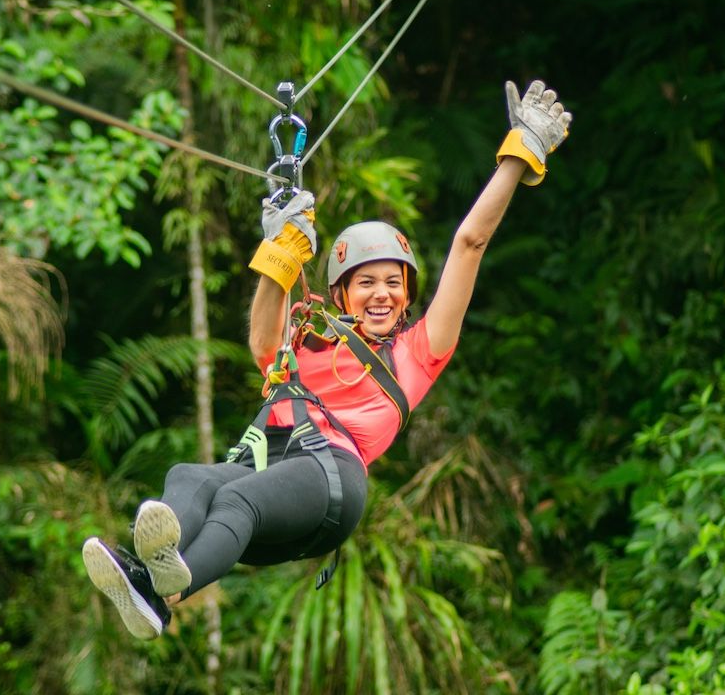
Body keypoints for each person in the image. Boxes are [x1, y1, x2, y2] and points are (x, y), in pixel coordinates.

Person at [81, 80, 572, 639]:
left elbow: (469, 242)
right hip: (269, 477)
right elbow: (264, 340)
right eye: (366, 283)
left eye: (393, 283)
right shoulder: (308, 342)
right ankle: (143, 583)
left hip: (330, 482)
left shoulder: (419, 351)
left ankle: (170, 590)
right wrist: (282, 253)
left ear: (408, 295)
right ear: (342, 295)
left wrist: (520, 152)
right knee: (188, 475)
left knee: (238, 494)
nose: (382, 294)